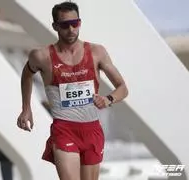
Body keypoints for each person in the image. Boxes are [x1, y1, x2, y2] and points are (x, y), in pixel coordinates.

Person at [17, 1, 128, 180]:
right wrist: (26, 108)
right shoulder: (41, 56)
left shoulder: (97, 52)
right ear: (55, 26)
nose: (71, 29)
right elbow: (26, 75)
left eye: (75, 23)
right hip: (64, 129)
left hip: (92, 129)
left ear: (80, 23)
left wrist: (108, 99)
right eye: (65, 25)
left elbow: (122, 88)